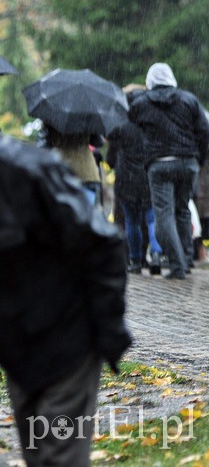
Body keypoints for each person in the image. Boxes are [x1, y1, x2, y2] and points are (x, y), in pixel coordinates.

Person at [0, 134, 132, 466]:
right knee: (38, 454)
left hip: (65, 340)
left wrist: (109, 330)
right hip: (16, 351)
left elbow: (102, 244)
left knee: (60, 456)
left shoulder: (29, 169)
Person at [129, 63, 209, 279]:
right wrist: (198, 157)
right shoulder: (188, 100)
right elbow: (204, 130)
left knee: (164, 214)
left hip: (159, 164)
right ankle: (186, 260)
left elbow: (131, 120)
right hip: (187, 162)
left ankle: (177, 265)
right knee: (183, 210)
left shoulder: (142, 103)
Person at [106, 84, 164, 275]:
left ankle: (135, 260)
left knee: (131, 221)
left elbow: (108, 147)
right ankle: (156, 253)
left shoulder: (121, 127)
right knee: (151, 218)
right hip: (148, 176)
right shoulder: (153, 126)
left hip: (126, 179)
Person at [39, 125, 104, 206]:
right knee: (87, 215)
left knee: (64, 215)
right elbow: (98, 142)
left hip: (63, 174)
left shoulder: (52, 119)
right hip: (87, 173)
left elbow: (43, 146)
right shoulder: (87, 117)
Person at [193, 147, 209, 264]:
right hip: (206, 192)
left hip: (202, 192)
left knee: (198, 227)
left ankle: (200, 252)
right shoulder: (205, 152)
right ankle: (201, 252)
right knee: (202, 228)